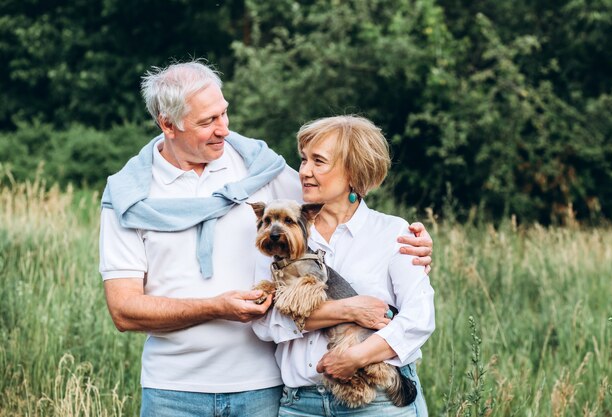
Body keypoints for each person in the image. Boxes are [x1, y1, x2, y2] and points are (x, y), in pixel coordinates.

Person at [99, 59, 433, 417]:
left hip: (263, 387)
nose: (223, 130)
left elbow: (341, 193)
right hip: (173, 388)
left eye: (224, 113)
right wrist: (217, 307)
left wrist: (413, 241)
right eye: (207, 121)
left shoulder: (259, 168)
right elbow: (124, 311)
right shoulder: (128, 197)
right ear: (168, 124)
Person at [252, 115, 435, 416]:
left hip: (379, 404)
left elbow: (419, 318)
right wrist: (348, 310)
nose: (304, 172)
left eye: (318, 162)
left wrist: (355, 357)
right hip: (301, 405)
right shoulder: (283, 232)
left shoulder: (392, 233)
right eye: (303, 160)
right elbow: (264, 322)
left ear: (352, 171)